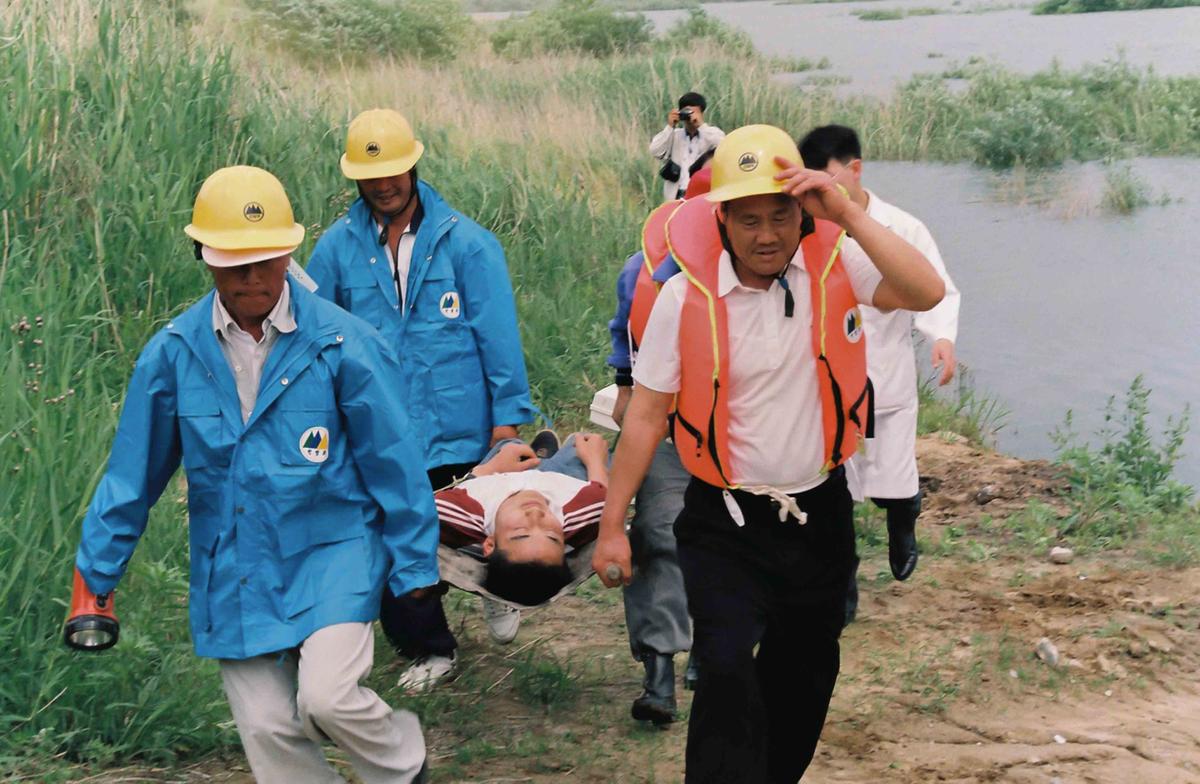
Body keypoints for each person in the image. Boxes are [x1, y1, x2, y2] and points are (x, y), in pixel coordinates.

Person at [593, 125, 945, 782]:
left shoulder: (836, 266)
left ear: (801, 212)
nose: (765, 235)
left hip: (819, 512)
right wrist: (613, 526)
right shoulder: (683, 297)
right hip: (723, 521)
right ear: (720, 217)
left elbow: (926, 292)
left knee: (806, 672)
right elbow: (645, 417)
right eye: (747, 218)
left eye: (780, 215)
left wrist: (844, 211)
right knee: (725, 669)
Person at [72, 166, 436, 783]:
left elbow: (394, 465)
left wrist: (415, 567)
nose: (252, 278)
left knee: (325, 698)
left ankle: (403, 766)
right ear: (205, 261)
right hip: (236, 562)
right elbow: (132, 476)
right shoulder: (173, 353)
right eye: (235, 264)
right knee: (269, 729)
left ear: (289, 253)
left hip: (332, 550)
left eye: (266, 262)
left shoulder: (344, 344)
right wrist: (96, 579)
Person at [307, 109, 536, 691]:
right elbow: (314, 338)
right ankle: (430, 649)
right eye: (371, 176)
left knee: (471, 526)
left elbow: (498, 336)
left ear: (414, 165)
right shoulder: (334, 251)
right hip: (379, 427)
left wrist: (507, 423)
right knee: (394, 538)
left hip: (460, 422)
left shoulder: (467, 243)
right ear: (356, 180)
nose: (385, 186)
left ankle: (498, 592)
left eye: (394, 173)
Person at [798, 124, 961, 622]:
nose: (821, 193)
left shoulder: (901, 226)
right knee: (837, 490)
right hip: (830, 377)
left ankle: (903, 515)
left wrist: (942, 339)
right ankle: (842, 585)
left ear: (854, 170)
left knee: (892, 470)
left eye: (827, 180)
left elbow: (938, 287)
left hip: (885, 367)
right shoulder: (809, 230)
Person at [602, 169, 714, 725]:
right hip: (668, 425)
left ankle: (712, 651)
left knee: (728, 543)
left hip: (745, 440)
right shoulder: (642, 273)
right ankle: (660, 671)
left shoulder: (787, 275)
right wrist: (625, 387)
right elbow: (626, 337)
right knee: (658, 531)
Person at [434, 432, 609, 606]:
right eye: (552, 536)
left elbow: (419, 516)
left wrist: (486, 470)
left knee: (510, 445)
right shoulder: (579, 514)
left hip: (497, 478)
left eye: (520, 533)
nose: (536, 515)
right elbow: (604, 497)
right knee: (585, 443)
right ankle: (546, 457)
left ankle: (537, 455)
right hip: (558, 480)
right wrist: (595, 460)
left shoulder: (464, 514)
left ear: (489, 544)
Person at [649, 91, 725, 201]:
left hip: (701, 195)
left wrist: (700, 125)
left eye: (693, 112)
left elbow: (723, 146)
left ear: (701, 113)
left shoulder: (711, 133)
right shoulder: (674, 135)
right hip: (676, 194)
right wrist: (670, 127)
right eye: (686, 112)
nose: (689, 116)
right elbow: (655, 151)